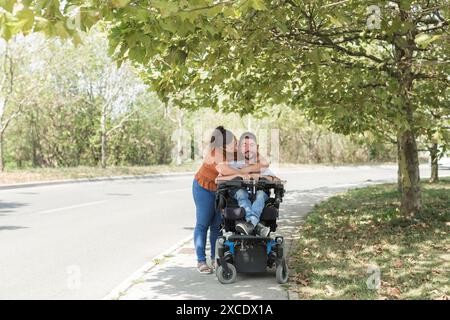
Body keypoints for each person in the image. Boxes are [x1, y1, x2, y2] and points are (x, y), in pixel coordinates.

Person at [192, 127, 267, 274]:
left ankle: (215, 259)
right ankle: (201, 261)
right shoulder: (215, 153)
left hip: (221, 189)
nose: (236, 145)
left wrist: (246, 170)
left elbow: (262, 163)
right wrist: (242, 173)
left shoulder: (233, 152)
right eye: (233, 143)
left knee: (216, 225)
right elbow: (224, 170)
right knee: (203, 224)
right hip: (204, 188)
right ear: (224, 145)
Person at [223, 132, 279, 237]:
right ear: (239, 148)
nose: (248, 148)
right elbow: (221, 178)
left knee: (261, 195)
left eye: (251, 145)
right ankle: (256, 225)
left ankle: (250, 224)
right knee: (240, 193)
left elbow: (275, 179)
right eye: (245, 145)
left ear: (256, 147)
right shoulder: (233, 164)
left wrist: (262, 177)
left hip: (259, 195)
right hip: (239, 196)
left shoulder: (260, 165)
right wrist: (239, 174)